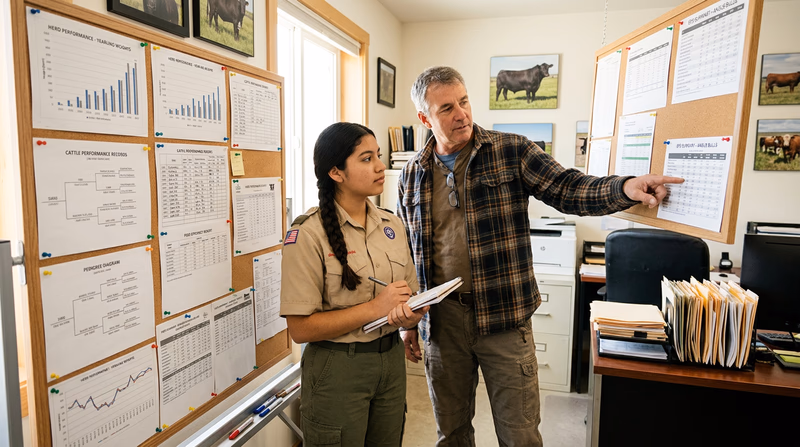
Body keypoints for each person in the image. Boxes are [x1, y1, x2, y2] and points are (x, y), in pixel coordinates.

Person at [396, 66, 684, 447]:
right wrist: (409, 321)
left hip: (504, 319)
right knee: (451, 435)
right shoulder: (411, 174)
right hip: (443, 326)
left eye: (464, 101)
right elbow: (407, 253)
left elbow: (569, 188)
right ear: (424, 117)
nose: (462, 114)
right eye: (447, 107)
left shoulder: (511, 149)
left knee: (520, 436)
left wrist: (625, 187)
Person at [280, 122, 428, 447]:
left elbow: (410, 295)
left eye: (378, 155)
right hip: (337, 366)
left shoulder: (393, 225)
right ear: (336, 172)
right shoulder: (307, 234)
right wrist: (375, 308)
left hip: (390, 360)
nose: (380, 166)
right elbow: (301, 329)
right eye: (366, 158)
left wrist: (410, 316)